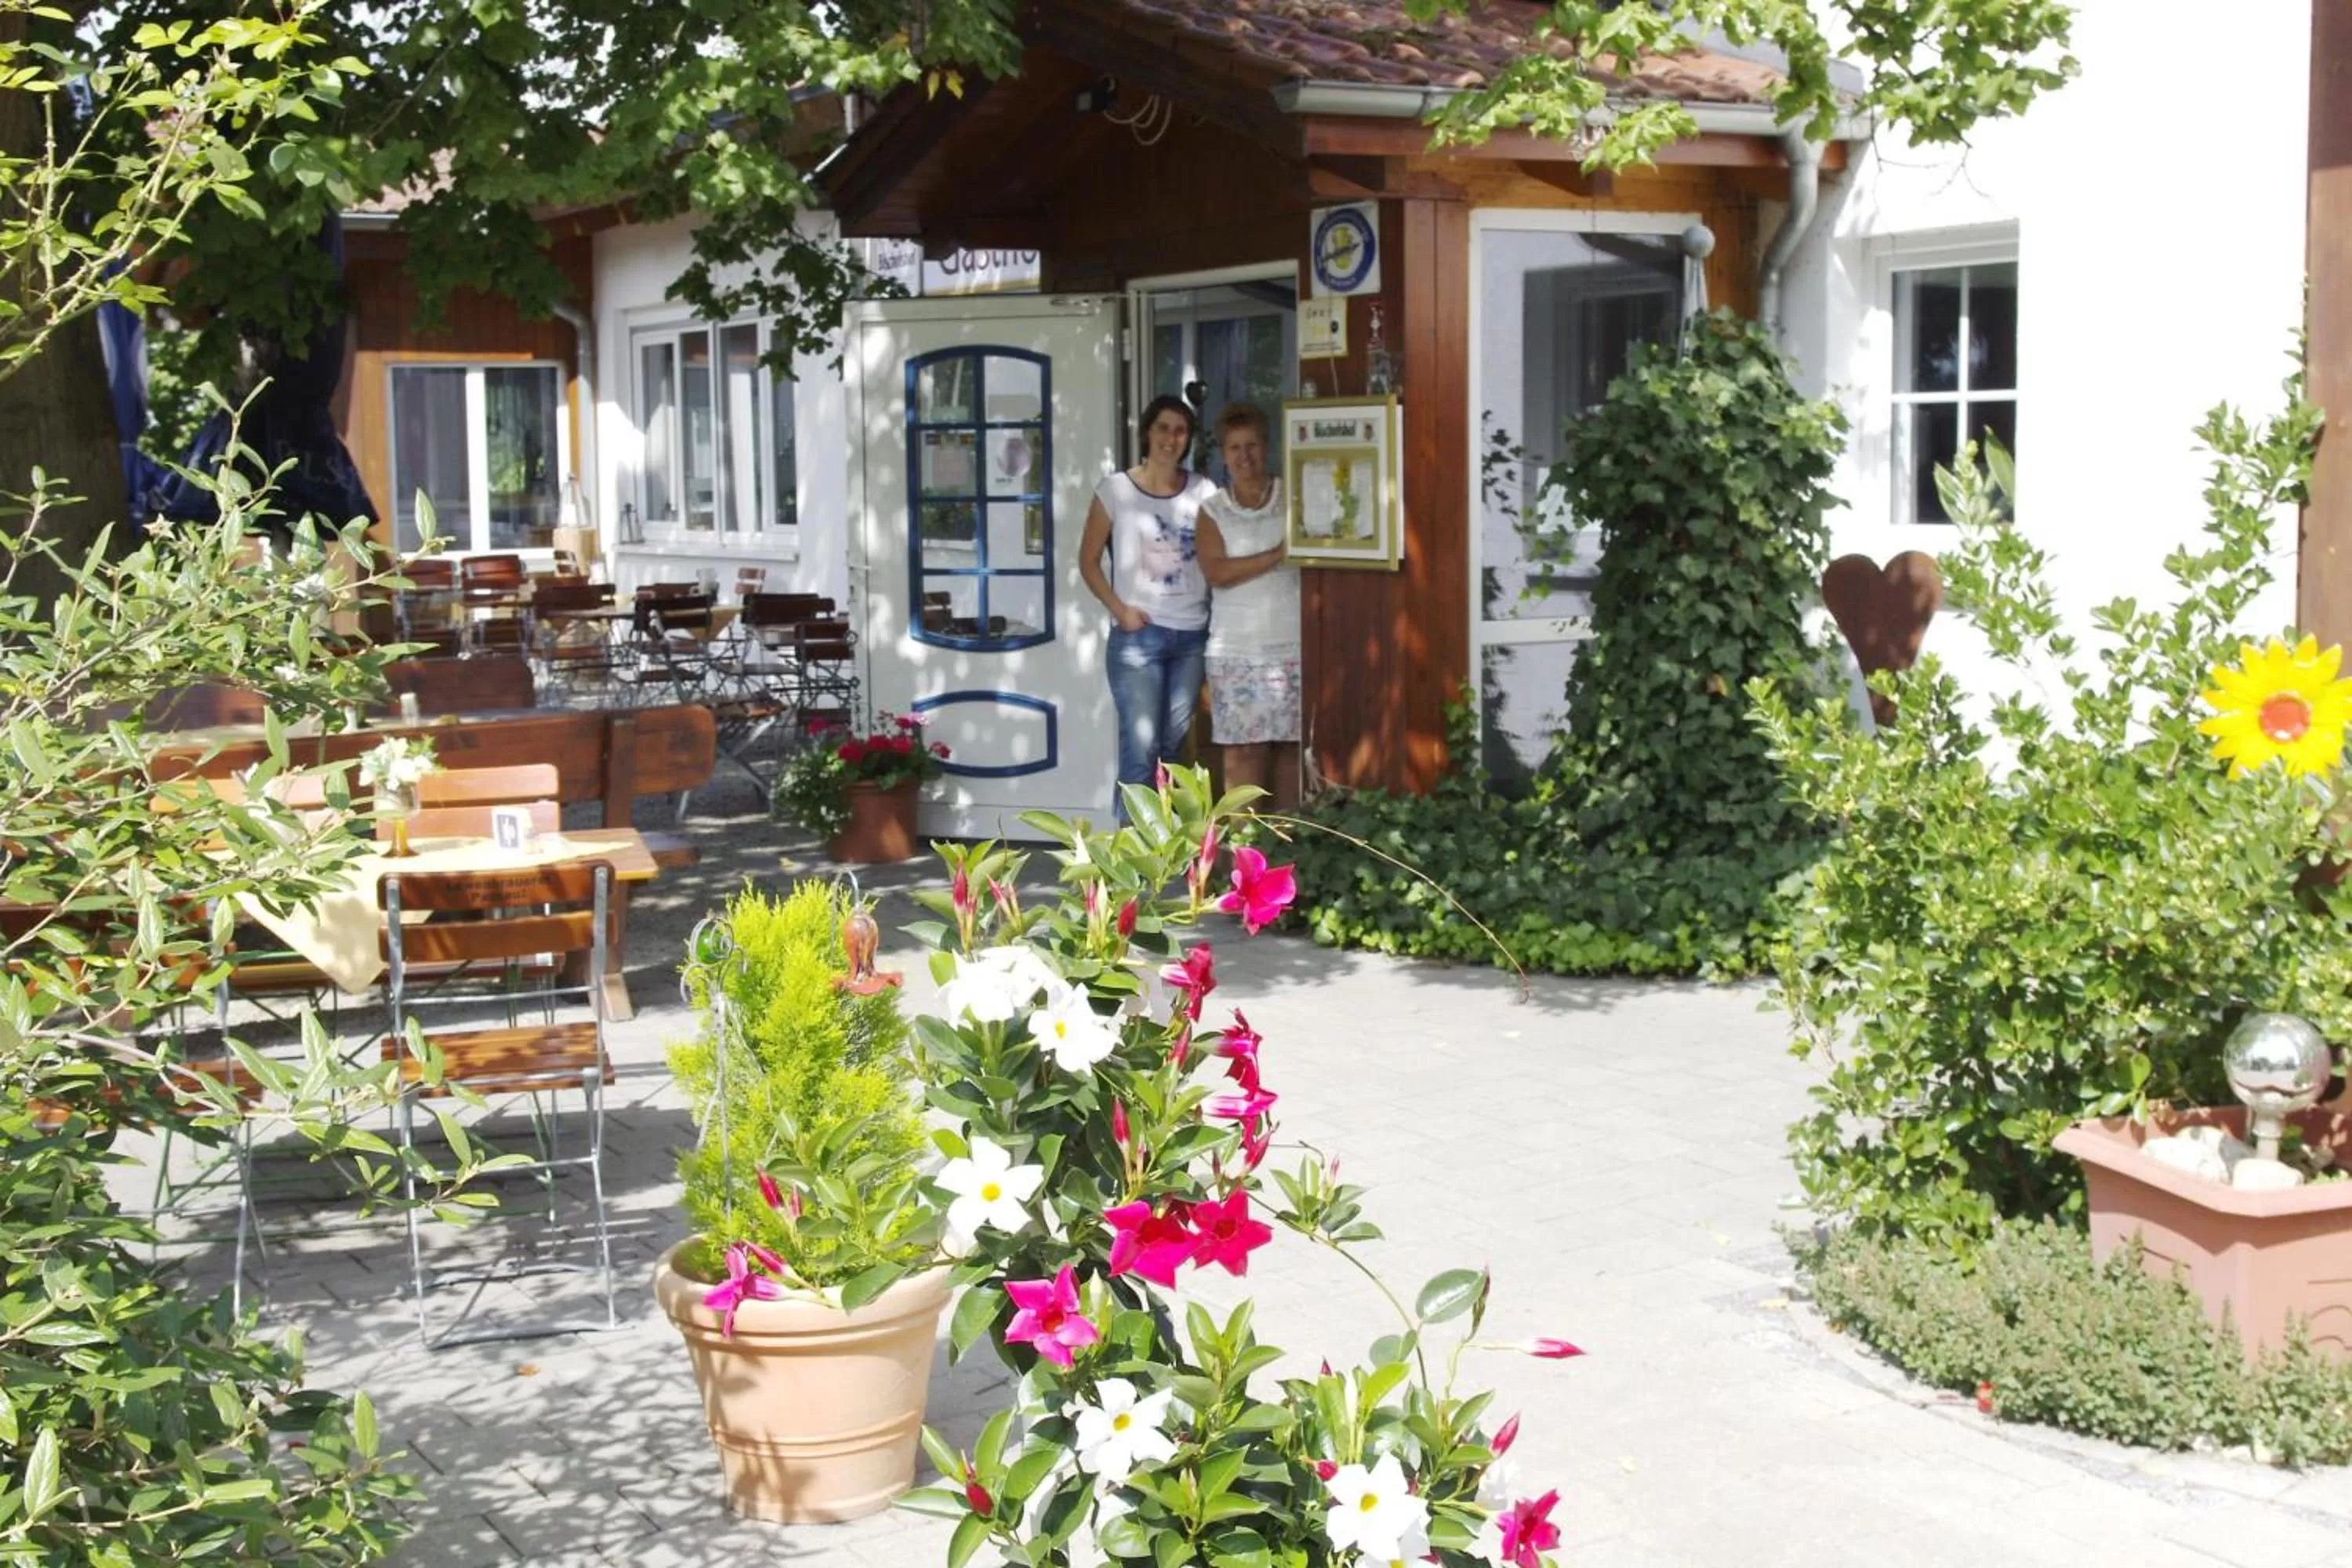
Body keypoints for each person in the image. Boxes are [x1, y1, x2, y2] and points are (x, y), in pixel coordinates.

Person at [1079, 395, 1218, 821]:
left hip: (1191, 635)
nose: (1171, 439)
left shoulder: (1204, 491)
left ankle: (1164, 850)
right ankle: (1130, 862)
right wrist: (1120, 610)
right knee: (1140, 750)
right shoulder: (1116, 490)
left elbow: (1217, 557)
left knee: (1172, 749)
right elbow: (1087, 560)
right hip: (1139, 639)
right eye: (1163, 428)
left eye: (1180, 431)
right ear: (1147, 432)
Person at [1196, 403, 1301, 808]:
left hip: (1292, 645)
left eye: (1252, 446)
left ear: (1267, 447)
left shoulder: (1292, 498)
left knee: (1291, 753)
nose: (1245, 456)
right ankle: (1245, 859)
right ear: (1224, 454)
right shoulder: (1213, 511)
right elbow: (1218, 572)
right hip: (1236, 651)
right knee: (1242, 756)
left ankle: (1289, 855)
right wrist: (1278, 554)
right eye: (1235, 448)